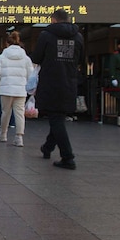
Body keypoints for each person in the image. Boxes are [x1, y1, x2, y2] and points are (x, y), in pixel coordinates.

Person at [32, 9, 85, 169]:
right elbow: (81, 59)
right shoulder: (78, 37)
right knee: (58, 118)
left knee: (56, 119)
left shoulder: (46, 35)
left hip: (51, 82)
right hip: (69, 82)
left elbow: (36, 58)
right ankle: (47, 147)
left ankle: (68, 157)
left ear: (53, 20)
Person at [0, 30, 33, 147]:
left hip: (6, 90)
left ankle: (3, 134)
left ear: (7, 44)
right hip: (21, 90)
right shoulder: (25, 58)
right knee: (19, 114)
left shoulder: (2, 57)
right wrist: (32, 89)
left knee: (5, 113)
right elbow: (31, 75)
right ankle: (19, 137)